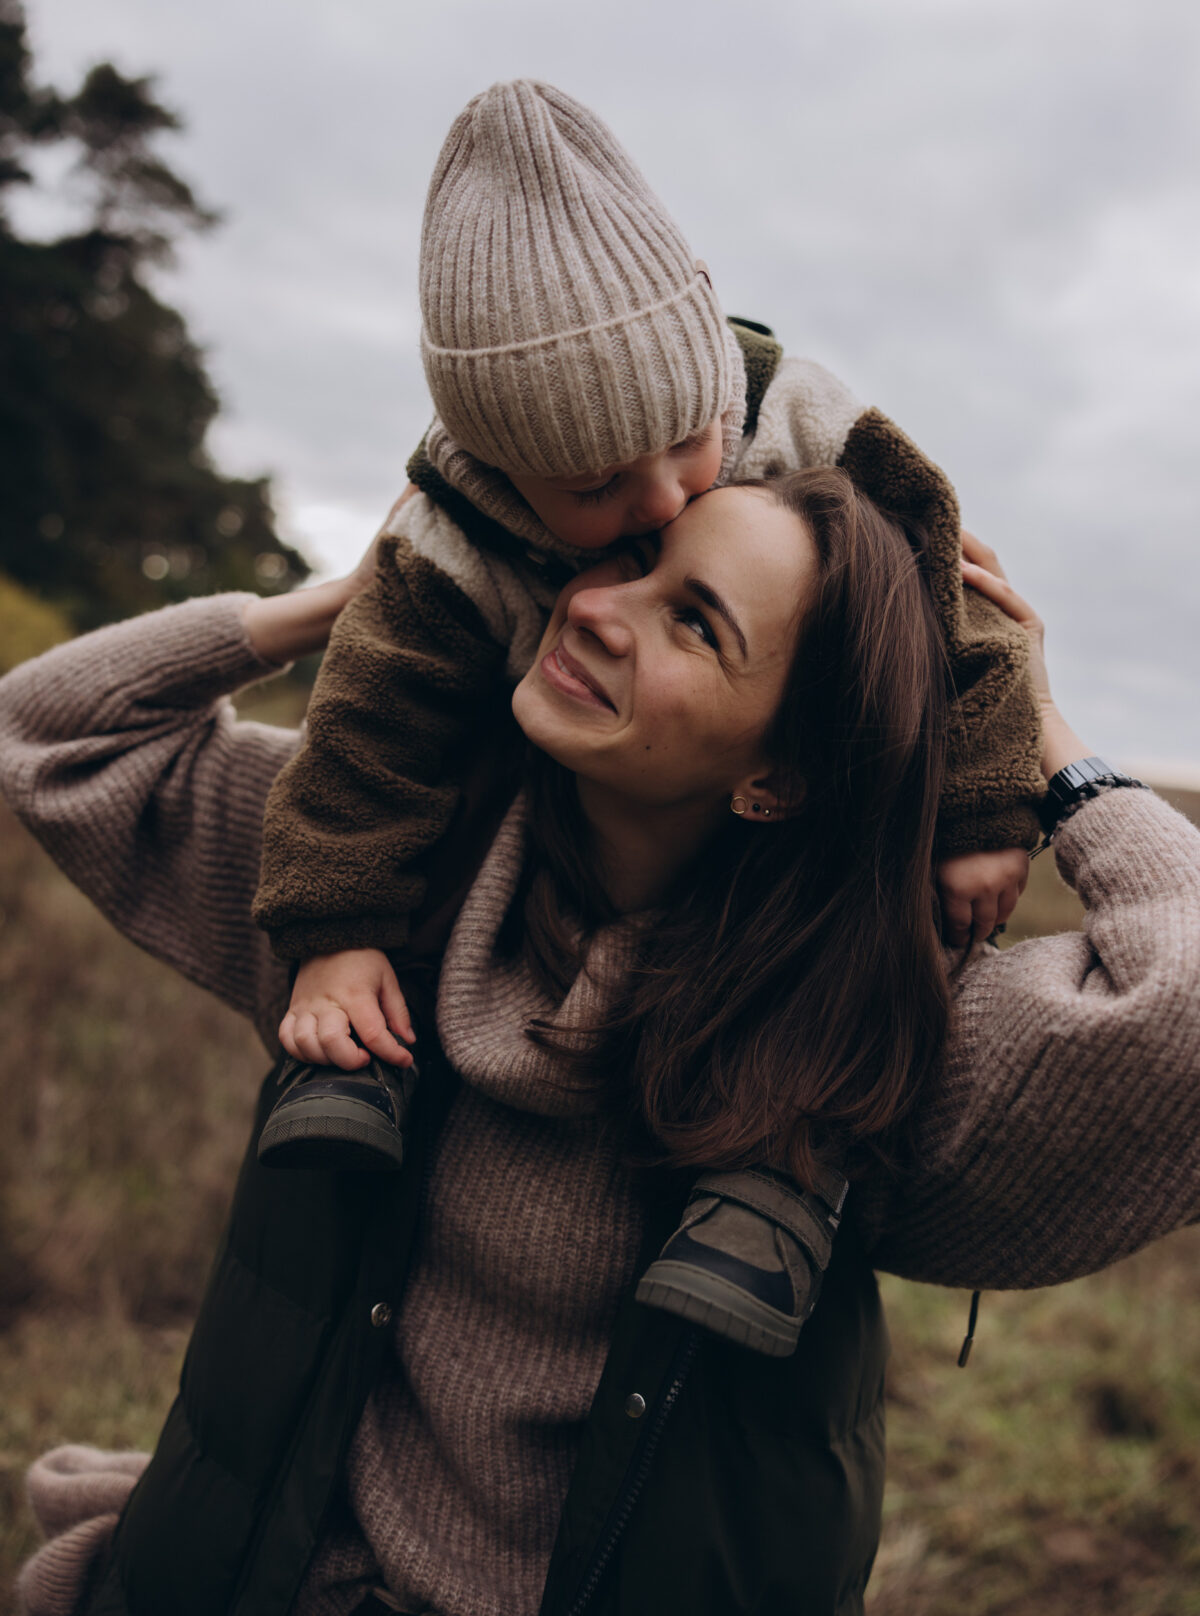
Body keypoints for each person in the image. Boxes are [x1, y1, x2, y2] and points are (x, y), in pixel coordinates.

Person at [4, 476, 1198, 1616]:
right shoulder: (375, 885)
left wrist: (1031, 719)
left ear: (775, 778)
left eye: (695, 621)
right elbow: (53, 736)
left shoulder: (858, 1039)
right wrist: (359, 598)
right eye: (631, 563)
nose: (595, 608)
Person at [250, 81, 1042, 1355]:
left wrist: (991, 798)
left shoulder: (801, 420)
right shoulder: (443, 539)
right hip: (557, 822)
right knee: (408, 833)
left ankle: (791, 1165)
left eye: (687, 438)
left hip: (783, 818)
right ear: (496, 463)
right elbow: (364, 739)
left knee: (858, 917)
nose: (673, 496)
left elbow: (964, 600)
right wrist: (335, 935)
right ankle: (356, 1079)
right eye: (599, 489)